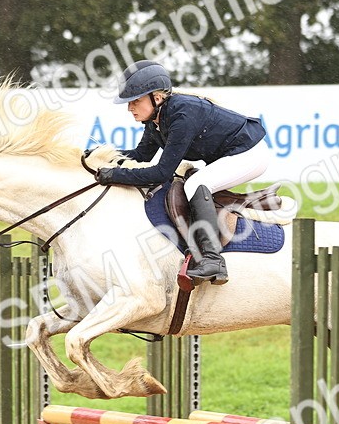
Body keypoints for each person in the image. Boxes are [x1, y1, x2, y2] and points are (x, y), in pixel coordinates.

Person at [94, 60, 270, 285]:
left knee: (195, 184)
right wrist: (100, 156)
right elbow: (141, 155)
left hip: (250, 153)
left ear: (156, 98)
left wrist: (114, 175)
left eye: (135, 101)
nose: (130, 108)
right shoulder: (155, 120)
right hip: (235, 153)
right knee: (195, 182)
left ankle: (212, 259)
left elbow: (161, 173)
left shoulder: (182, 114)